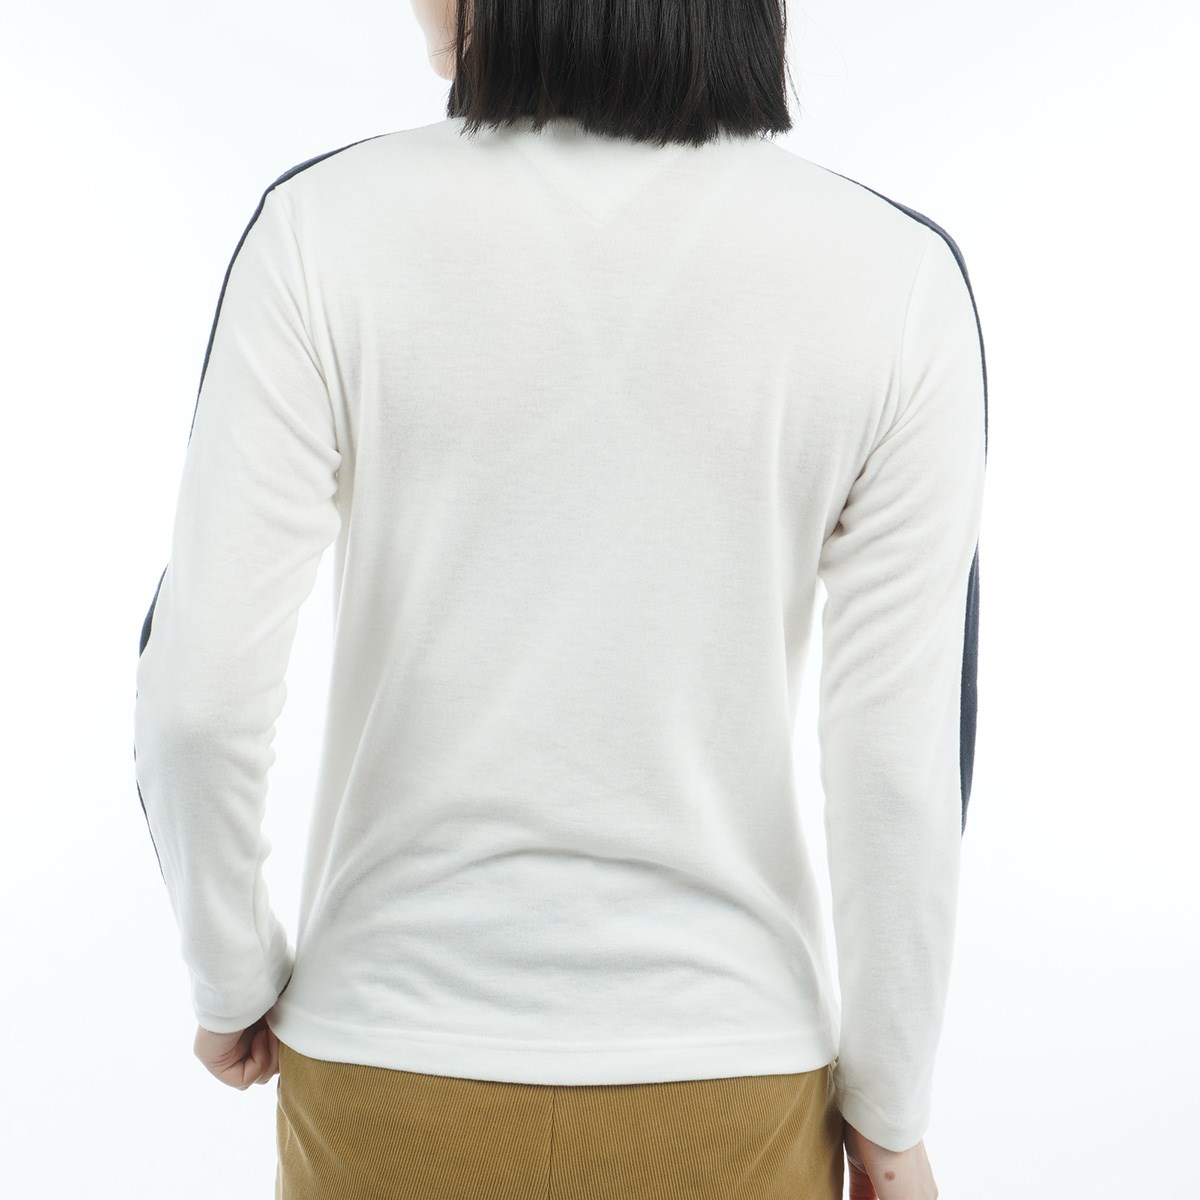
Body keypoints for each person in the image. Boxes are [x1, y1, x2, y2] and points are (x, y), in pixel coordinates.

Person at [132, 0, 988, 1197]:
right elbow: (900, 768)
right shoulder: (897, 280)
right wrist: (888, 1109)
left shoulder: (320, 230)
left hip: (389, 1064)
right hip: (730, 1079)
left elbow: (195, 704)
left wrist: (231, 975)